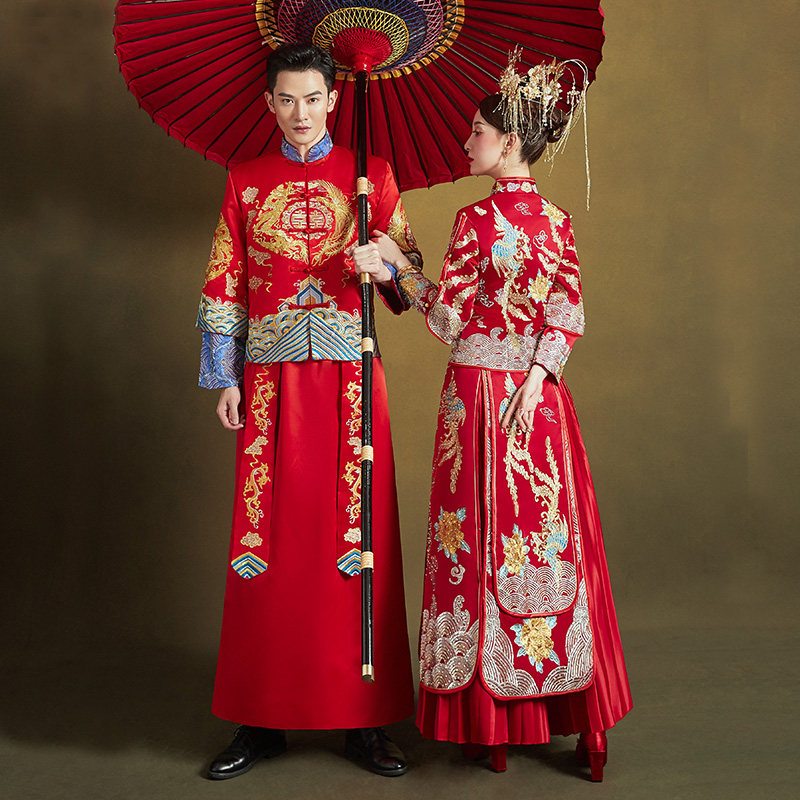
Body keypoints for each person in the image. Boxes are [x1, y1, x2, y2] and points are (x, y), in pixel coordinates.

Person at [351, 59, 632, 781]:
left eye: (476, 131)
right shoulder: (558, 221)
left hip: (477, 395)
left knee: (475, 544)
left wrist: (397, 267)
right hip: (540, 402)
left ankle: (491, 725)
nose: (466, 142)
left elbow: (450, 319)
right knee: (548, 543)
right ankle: (568, 712)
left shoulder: (476, 220)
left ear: (509, 141)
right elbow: (567, 309)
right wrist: (538, 376)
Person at [197, 42, 420, 780]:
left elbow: (413, 282)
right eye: (286, 99)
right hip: (268, 385)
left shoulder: (371, 177)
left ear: (334, 98)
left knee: (356, 538)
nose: (300, 113)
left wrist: (383, 264)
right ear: (269, 102)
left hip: (352, 383)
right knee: (269, 541)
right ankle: (260, 719)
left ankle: (365, 720)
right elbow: (225, 281)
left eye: (313, 99)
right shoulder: (244, 179)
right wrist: (224, 375)